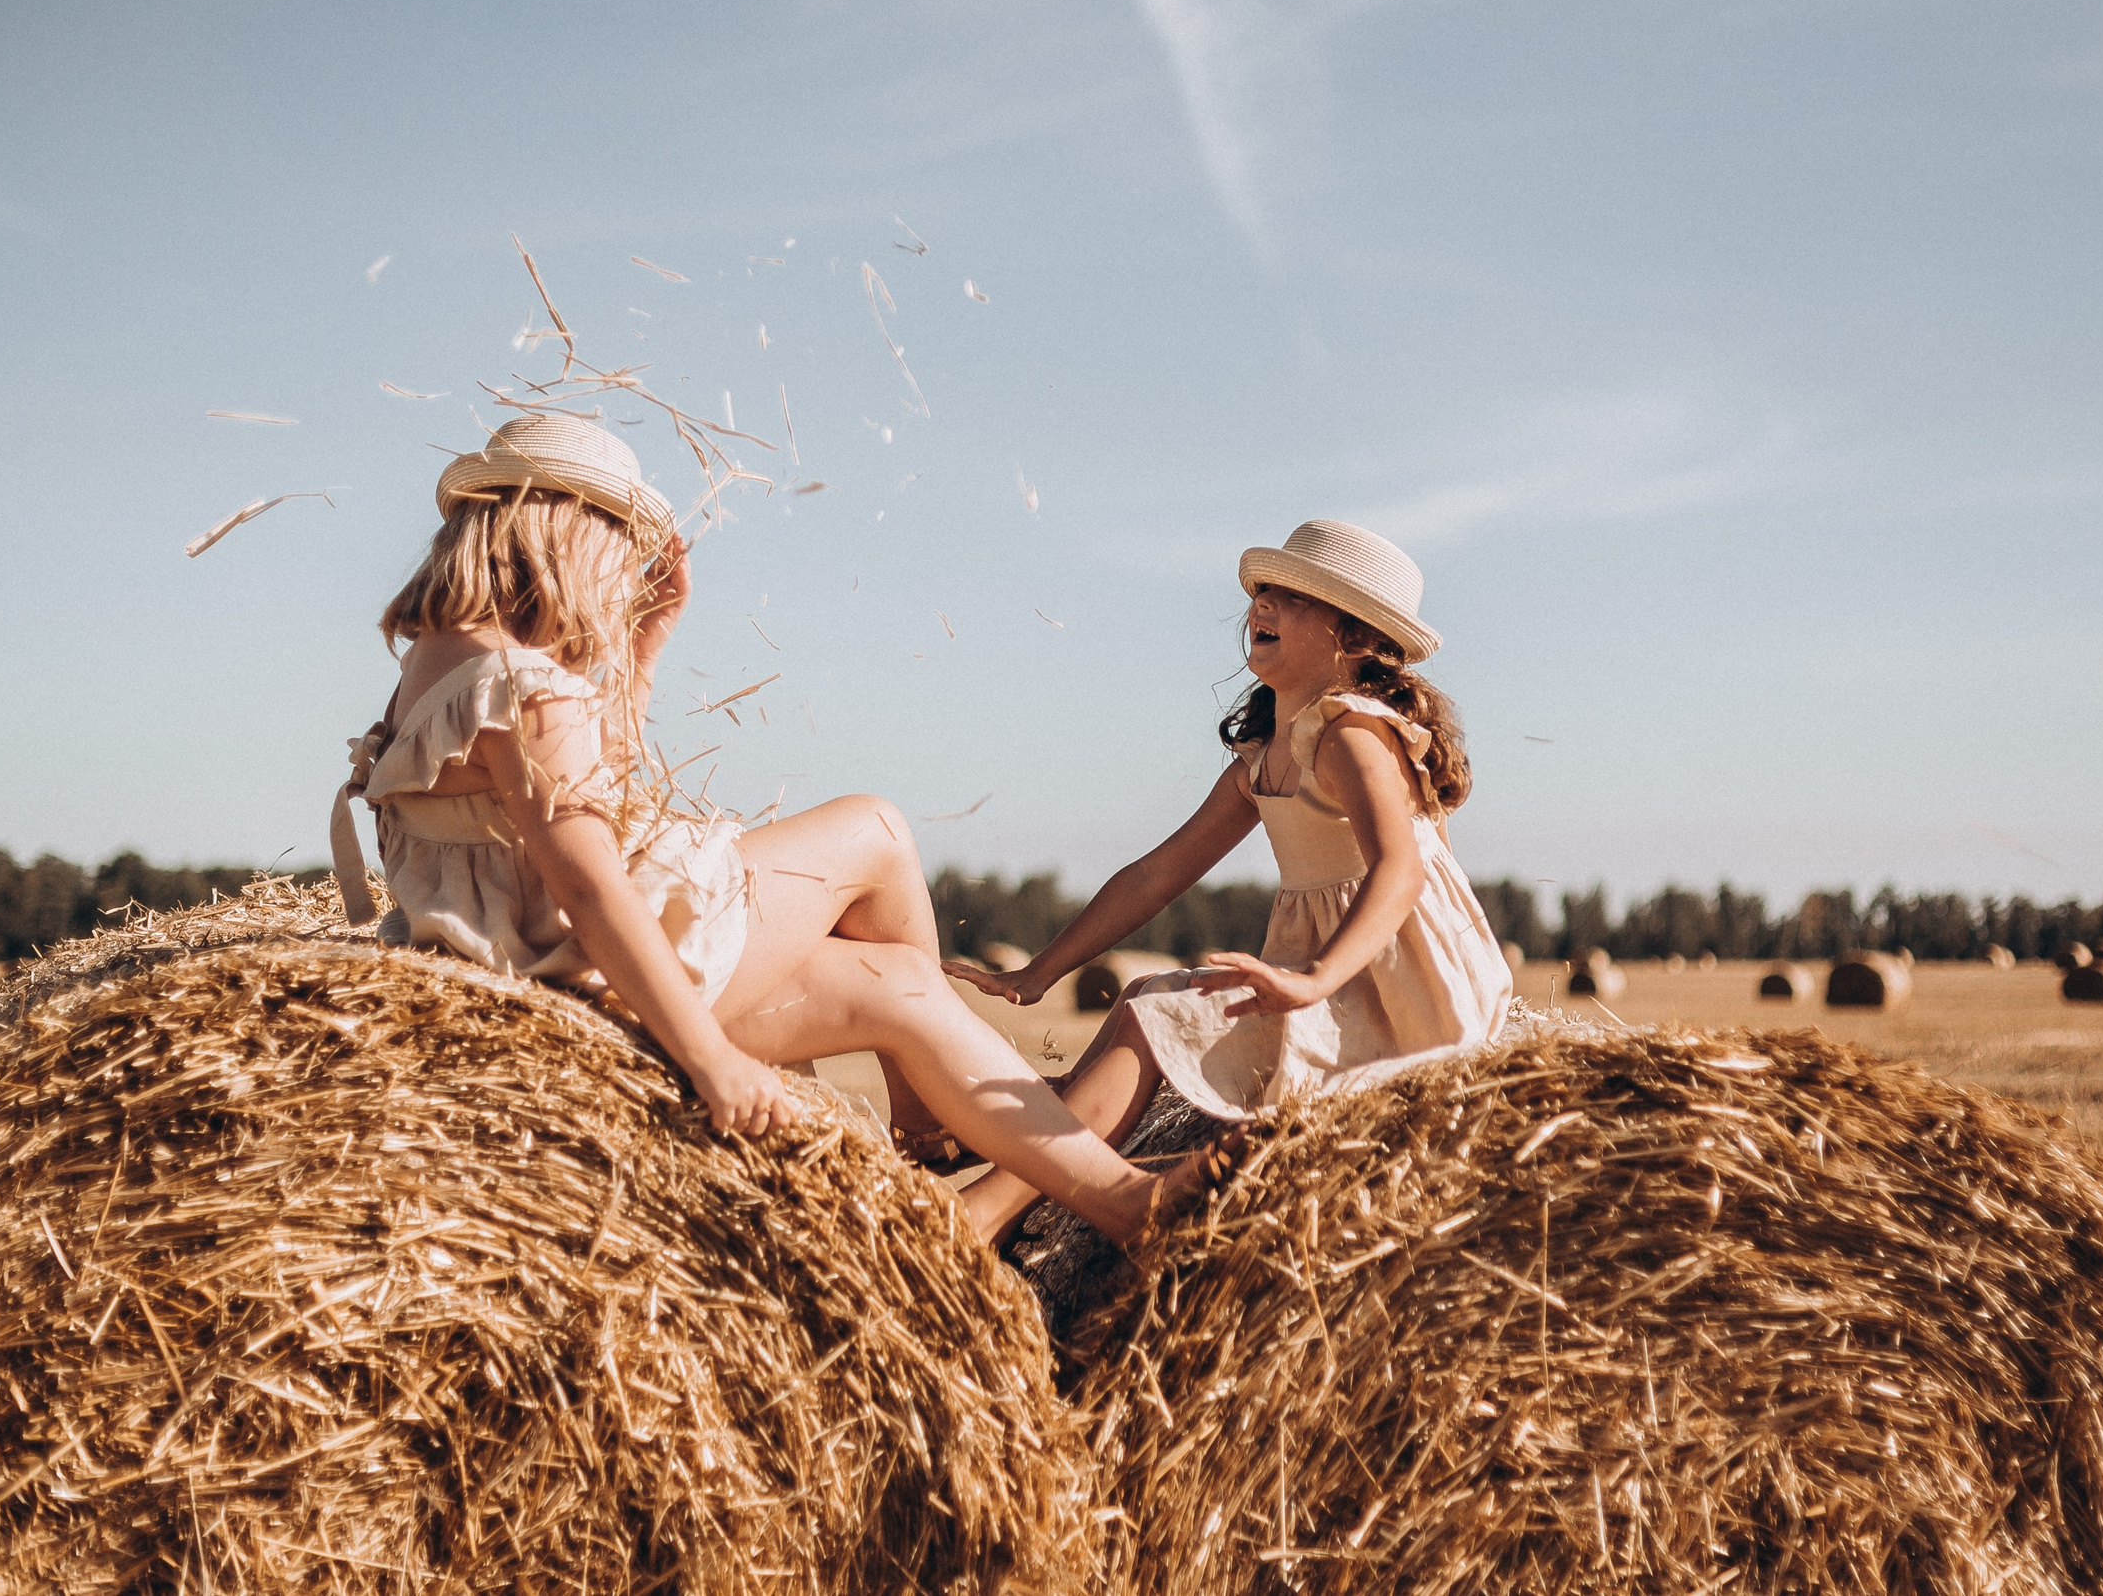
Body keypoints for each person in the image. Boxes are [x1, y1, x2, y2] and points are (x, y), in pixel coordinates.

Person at [331, 413, 1220, 1243]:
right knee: (878, 830)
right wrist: (711, 1058)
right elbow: (590, 884)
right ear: (567, 532)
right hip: (588, 970)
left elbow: (594, 798)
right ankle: (930, 1122)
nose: (619, 573)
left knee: (902, 985)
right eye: (617, 546)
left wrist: (644, 651)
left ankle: (1109, 1197)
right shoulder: (521, 689)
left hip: (525, 965)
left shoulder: (435, 665)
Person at [948, 519, 1511, 1242]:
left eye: (1297, 596)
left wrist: (1313, 976)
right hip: (1329, 972)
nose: (1265, 605)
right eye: (1266, 590)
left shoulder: (1351, 734)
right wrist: (1042, 970)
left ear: (1361, 640)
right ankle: (1024, 1148)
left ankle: (988, 1209)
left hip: (1400, 988)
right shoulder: (1264, 756)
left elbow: (1398, 873)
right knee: (1141, 999)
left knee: (1154, 1021)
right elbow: (1156, 875)